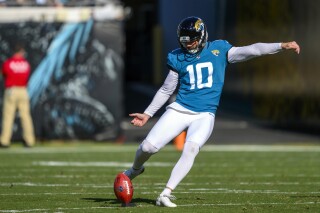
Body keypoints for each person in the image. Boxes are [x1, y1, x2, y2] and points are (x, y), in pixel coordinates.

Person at [123, 16, 300, 207]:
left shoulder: (219, 50)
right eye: (184, 41)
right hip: (180, 108)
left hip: (205, 114)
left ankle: (166, 193)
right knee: (148, 147)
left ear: (202, 36)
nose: (188, 45)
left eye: (191, 40)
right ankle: (134, 170)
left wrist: (281, 45)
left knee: (190, 149)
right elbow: (167, 89)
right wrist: (148, 113)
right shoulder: (176, 56)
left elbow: (253, 50)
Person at [0, 43, 36, 148]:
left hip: (12, 90)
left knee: (8, 117)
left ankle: (5, 141)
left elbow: (4, 73)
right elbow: (26, 76)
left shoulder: (9, 63)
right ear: (20, 52)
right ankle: (29, 140)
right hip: (23, 91)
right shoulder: (25, 64)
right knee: (26, 117)